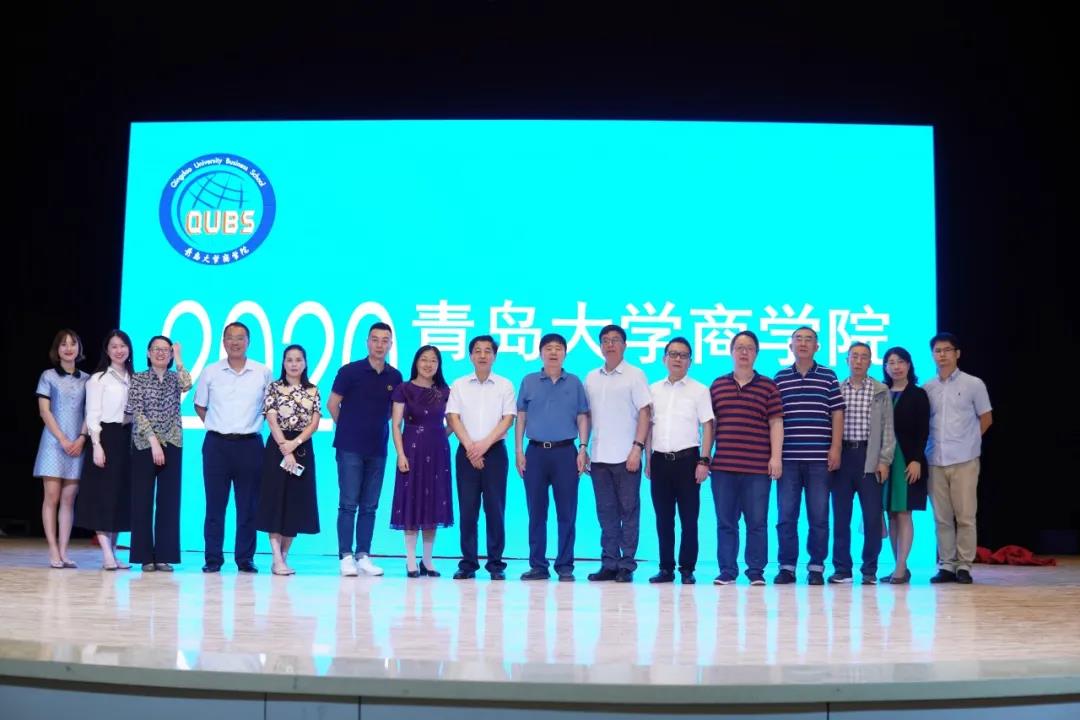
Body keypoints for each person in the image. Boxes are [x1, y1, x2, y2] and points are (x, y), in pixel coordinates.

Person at [194, 321, 271, 573]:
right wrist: (217, 425)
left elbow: (269, 408)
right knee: (215, 506)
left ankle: (245, 558)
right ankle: (213, 559)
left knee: (248, 506)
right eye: (230, 337)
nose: (235, 342)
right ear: (223, 341)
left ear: (248, 342)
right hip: (217, 445)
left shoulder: (262, 372)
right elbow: (200, 405)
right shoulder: (211, 371)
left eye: (240, 338)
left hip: (250, 445)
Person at [328, 322, 403, 577]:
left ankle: (363, 555)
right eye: (375, 339)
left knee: (370, 505)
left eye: (385, 340)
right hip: (349, 447)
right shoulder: (350, 371)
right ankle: (345, 555)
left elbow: (394, 414)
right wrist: (348, 428)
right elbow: (332, 404)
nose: (380, 345)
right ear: (367, 342)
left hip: (378, 448)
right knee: (348, 503)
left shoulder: (395, 377)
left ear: (390, 344)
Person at [710, 330, 784, 586]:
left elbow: (776, 423)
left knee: (757, 523)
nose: (744, 352)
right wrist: (705, 457)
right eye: (739, 347)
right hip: (723, 467)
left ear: (756, 354)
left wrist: (776, 458)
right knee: (726, 523)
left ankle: (756, 571)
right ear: (731, 352)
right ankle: (727, 570)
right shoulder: (718, 385)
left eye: (749, 348)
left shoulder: (768, 386)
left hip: (757, 468)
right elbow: (712, 425)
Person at [773, 326, 845, 585]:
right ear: (790, 346)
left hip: (819, 459)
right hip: (788, 459)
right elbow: (775, 418)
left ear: (817, 346)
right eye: (798, 339)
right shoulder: (780, 378)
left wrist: (836, 447)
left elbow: (837, 413)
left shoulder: (828, 376)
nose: (803, 343)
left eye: (809, 339)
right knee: (786, 516)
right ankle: (787, 567)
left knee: (819, 516)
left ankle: (816, 567)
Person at [516, 333, 590, 581]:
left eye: (558, 348)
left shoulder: (574, 382)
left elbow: (582, 416)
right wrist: (519, 451)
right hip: (535, 453)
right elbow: (521, 417)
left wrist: (583, 448)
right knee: (536, 512)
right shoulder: (529, 381)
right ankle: (538, 565)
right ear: (540, 353)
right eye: (548, 348)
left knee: (567, 513)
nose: (553, 352)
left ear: (565, 354)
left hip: (566, 453)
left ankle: (565, 566)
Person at [584, 324, 651, 583]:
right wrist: (583, 447)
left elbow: (645, 413)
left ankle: (627, 564)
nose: (610, 344)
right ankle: (609, 562)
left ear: (624, 345)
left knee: (629, 512)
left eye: (615, 340)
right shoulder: (591, 377)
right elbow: (587, 417)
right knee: (606, 513)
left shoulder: (635, 375)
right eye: (605, 340)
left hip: (627, 456)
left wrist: (637, 448)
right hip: (599, 456)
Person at [446, 335, 516, 581]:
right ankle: (468, 563)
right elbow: (452, 417)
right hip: (466, 452)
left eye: (488, 351)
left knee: (495, 510)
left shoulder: (505, 385)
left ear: (495, 356)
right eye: (478, 351)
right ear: (470, 356)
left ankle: (496, 564)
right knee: (468, 511)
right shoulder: (459, 384)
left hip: (495, 453)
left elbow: (508, 419)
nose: (483, 355)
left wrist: (483, 446)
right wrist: (470, 448)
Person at [645, 337, 714, 585]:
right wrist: (648, 459)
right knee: (663, 519)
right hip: (659, 461)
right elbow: (648, 427)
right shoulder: (652, 390)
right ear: (664, 359)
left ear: (690, 361)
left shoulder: (699, 390)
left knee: (689, 519)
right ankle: (666, 568)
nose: (677, 359)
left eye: (683, 355)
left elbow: (708, 425)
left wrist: (704, 460)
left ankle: (687, 568)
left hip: (688, 461)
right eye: (673, 354)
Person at [925, 332, 992, 584]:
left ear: (957, 353)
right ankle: (947, 565)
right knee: (942, 517)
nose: (942, 355)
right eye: (937, 351)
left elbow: (986, 418)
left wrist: (970, 442)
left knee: (965, 516)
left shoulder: (973, 384)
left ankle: (964, 565)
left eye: (947, 350)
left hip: (965, 459)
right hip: (935, 459)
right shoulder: (928, 387)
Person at [828, 342, 894, 585]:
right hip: (842, 457)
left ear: (870, 361)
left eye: (864, 357)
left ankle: (869, 570)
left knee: (872, 517)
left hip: (870, 457)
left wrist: (884, 460)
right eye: (854, 356)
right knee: (841, 517)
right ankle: (842, 569)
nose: (858, 361)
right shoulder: (836, 388)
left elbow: (888, 429)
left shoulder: (880, 390)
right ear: (847, 360)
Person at [257, 344, 322, 576]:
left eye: (298, 360)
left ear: (305, 363)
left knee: (295, 502)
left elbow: (314, 423)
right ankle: (275, 557)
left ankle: (284, 556)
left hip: (302, 448)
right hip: (278, 447)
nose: (294, 364)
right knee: (275, 501)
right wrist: (285, 448)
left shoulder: (313, 390)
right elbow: (271, 419)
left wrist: (295, 444)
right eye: (289, 360)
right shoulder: (274, 388)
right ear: (283, 363)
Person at [127, 336, 191, 572]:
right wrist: (153, 441)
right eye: (156, 349)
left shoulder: (175, 378)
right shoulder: (139, 378)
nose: (161, 353)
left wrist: (180, 358)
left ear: (171, 354)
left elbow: (187, 384)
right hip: (145, 443)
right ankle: (144, 556)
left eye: (166, 350)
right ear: (148, 352)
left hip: (172, 441)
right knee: (142, 500)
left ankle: (164, 555)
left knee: (169, 501)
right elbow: (137, 411)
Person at [390, 345, 453, 577]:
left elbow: (453, 423)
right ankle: (410, 560)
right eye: (424, 359)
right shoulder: (404, 389)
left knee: (433, 503)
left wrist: (438, 437)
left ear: (439, 365)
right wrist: (401, 454)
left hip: (437, 454)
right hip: (411, 452)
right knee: (411, 502)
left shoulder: (445, 391)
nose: (428, 364)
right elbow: (396, 424)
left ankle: (427, 560)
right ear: (416, 362)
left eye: (433, 360)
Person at [75, 330, 135, 570]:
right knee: (103, 496)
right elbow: (92, 415)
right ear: (107, 351)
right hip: (105, 437)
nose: (119, 350)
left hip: (127, 438)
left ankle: (114, 553)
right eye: (114, 346)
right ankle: (106, 554)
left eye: (123, 346)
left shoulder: (134, 377)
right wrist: (96, 445)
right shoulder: (98, 379)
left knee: (119, 497)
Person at [33, 329, 88, 569]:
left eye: (72, 344)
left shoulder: (87, 379)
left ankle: (65, 551)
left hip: (77, 444)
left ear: (79, 348)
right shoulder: (48, 376)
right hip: (54, 444)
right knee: (52, 497)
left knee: (68, 498)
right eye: (63, 344)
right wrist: (63, 439)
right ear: (57, 350)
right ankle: (53, 550)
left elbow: (90, 412)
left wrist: (81, 439)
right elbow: (44, 411)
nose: (68, 348)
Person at [879, 346, 930, 585]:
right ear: (885, 367)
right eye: (891, 362)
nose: (896, 367)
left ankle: (901, 566)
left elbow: (923, 430)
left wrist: (916, 459)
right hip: (884, 460)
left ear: (909, 365)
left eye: (900, 362)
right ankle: (899, 565)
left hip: (908, 460)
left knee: (904, 512)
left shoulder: (918, 394)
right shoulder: (881, 393)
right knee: (891, 513)